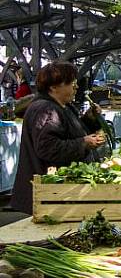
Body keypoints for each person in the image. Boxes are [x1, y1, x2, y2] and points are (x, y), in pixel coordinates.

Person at [11, 62, 106, 214]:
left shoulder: (62, 106)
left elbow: (71, 131)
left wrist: (90, 118)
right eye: (70, 83)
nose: (76, 87)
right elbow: (48, 149)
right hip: (48, 195)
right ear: (53, 87)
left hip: (58, 194)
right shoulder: (45, 110)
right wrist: (83, 143)